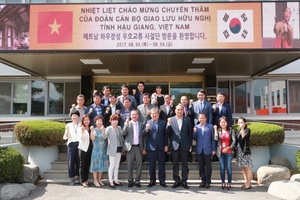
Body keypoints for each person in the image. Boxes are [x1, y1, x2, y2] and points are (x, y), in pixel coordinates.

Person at [166, 104, 192, 189]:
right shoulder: (171, 119)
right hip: (174, 145)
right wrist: (169, 124)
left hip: (185, 145)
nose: (179, 111)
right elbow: (167, 132)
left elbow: (190, 134)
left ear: (183, 111)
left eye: (181, 110)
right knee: (175, 164)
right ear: (175, 111)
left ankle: (184, 181)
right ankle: (176, 180)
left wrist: (190, 144)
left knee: (185, 164)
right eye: (178, 110)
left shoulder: (187, 120)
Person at [143, 108, 168, 188]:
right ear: (150, 115)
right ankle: (152, 180)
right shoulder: (147, 122)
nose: (154, 115)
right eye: (153, 113)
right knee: (151, 165)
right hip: (151, 147)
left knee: (162, 165)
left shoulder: (163, 123)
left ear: (158, 114)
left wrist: (166, 145)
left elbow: (165, 135)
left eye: (156, 113)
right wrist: (146, 129)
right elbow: (144, 135)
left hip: (161, 147)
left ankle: (162, 181)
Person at [122, 110, 144, 188]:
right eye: (133, 115)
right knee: (130, 165)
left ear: (138, 116)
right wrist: (125, 125)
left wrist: (143, 148)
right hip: (129, 147)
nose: (134, 116)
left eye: (136, 114)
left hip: (139, 147)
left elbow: (143, 137)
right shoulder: (128, 124)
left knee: (139, 165)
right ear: (130, 116)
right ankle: (130, 180)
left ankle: (137, 181)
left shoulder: (141, 124)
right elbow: (123, 133)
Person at [193, 113, 216, 189]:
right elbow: (194, 138)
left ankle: (208, 181)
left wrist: (213, 149)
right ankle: (203, 181)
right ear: (198, 119)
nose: (201, 119)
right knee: (201, 167)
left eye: (203, 118)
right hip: (199, 149)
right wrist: (194, 132)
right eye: (200, 118)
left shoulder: (210, 126)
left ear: (206, 118)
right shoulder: (196, 127)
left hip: (208, 149)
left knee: (208, 167)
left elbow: (213, 139)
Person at [214, 116, 236, 190]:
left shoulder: (231, 130)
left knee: (229, 168)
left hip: (229, 151)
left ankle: (229, 182)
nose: (223, 123)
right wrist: (215, 130)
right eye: (221, 122)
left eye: (224, 122)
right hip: (220, 152)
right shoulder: (219, 130)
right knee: (222, 168)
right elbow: (216, 139)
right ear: (219, 123)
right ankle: (223, 182)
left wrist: (228, 148)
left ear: (227, 123)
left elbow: (234, 141)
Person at [103, 114, 124, 188]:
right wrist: (103, 130)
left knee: (117, 165)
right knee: (111, 165)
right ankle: (110, 181)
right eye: (113, 120)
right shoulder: (108, 128)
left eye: (116, 120)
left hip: (119, 148)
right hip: (112, 148)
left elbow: (121, 138)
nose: (115, 122)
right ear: (110, 121)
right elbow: (104, 137)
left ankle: (116, 179)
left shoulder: (119, 128)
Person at [63, 109, 81, 186]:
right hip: (71, 144)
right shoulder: (68, 125)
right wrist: (67, 131)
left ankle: (77, 176)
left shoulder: (81, 125)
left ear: (78, 116)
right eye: (73, 116)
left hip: (80, 144)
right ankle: (71, 178)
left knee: (78, 161)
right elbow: (65, 137)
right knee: (71, 161)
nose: (74, 117)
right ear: (71, 117)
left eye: (76, 115)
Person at [89, 116, 108, 188]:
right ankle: (95, 180)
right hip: (96, 150)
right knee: (95, 165)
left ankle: (100, 180)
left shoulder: (104, 129)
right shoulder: (94, 129)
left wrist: (103, 130)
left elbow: (105, 137)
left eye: (101, 121)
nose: (99, 122)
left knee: (101, 165)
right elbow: (92, 138)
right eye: (98, 121)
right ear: (95, 122)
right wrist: (91, 130)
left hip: (103, 150)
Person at [236, 117, 253, 190]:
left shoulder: (247, 130)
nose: (240, 124)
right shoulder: (238, 130)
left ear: (245, 123)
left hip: (245, 151)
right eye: (239, 123)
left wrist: (242, 128)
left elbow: (244, 138)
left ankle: (249, 184)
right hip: (239, 151)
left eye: (242, 122)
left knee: (247, 168)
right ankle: (246, 182)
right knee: (243, 168)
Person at [78, 115, 93, 188]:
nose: (86, 121)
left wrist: (92, 130)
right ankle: (83, 180)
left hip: (89, 148)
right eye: (85, 120)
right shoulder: (81, 128)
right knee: (82, 165)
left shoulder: (91, 128)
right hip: (83, 148)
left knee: (87, 165)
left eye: (88, 120)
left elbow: (92, 139)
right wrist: (83, 131)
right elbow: (81, 139)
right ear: (83, 121)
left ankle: (86, 179)